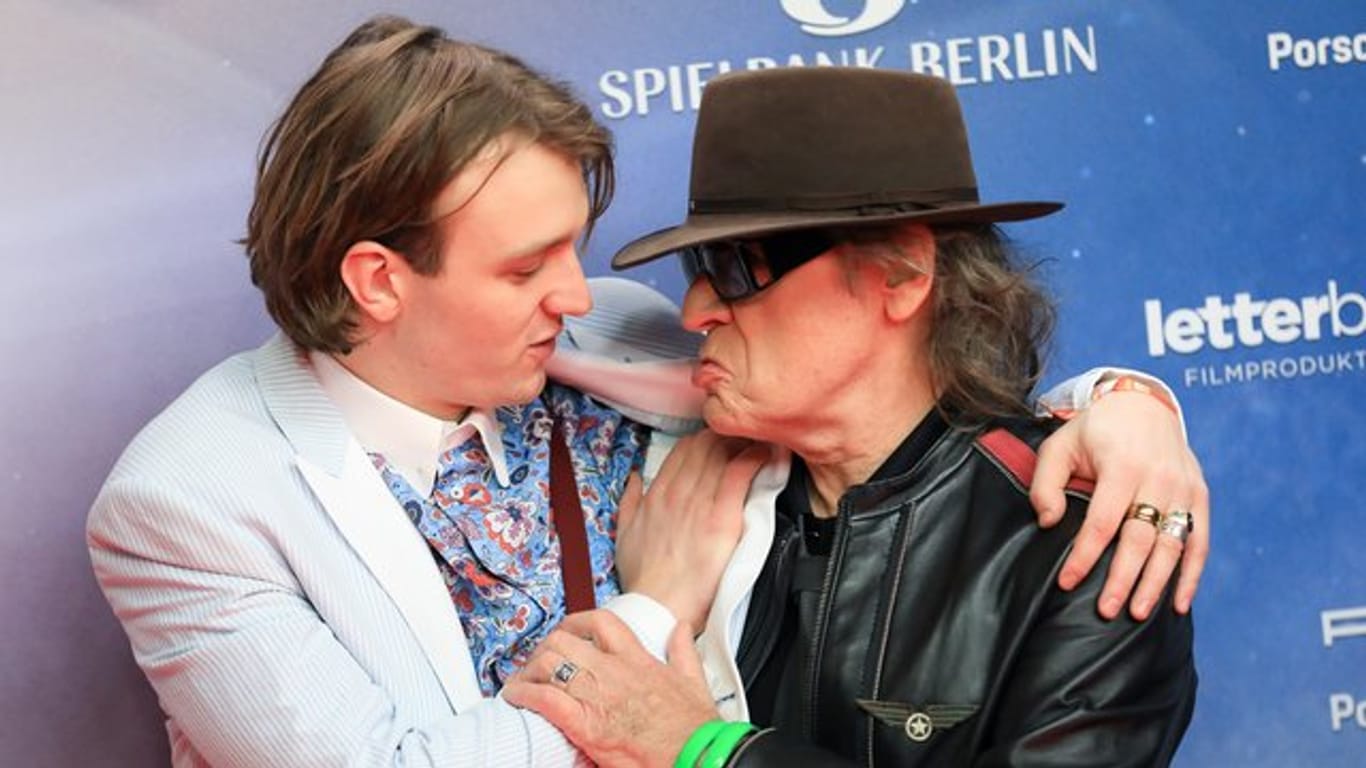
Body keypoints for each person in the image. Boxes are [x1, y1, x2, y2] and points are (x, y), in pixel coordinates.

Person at [88, 16, 1201, 768]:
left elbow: (920, 414)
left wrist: (1126, 406)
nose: (585, 294)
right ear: (379, 281)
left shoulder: (623, 351)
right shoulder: (190, 503)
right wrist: (654, 605)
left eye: (736, 271)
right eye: (525, 267)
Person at [504, 68, 1198, 767]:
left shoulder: (1090, 541)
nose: (696, 311)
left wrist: (708, 752)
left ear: (899, 275)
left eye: (740, 267)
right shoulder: (666, 468)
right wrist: (1132, 396)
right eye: (697, 268)